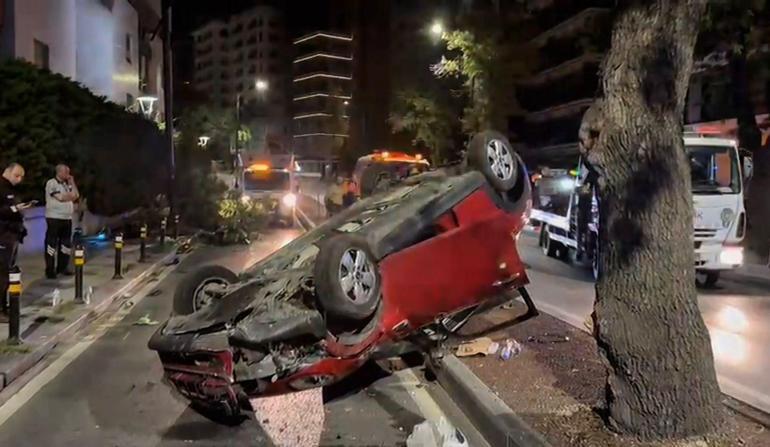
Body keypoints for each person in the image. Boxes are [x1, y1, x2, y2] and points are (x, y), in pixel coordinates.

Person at [1, 163, 29, 323]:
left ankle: (5, 306)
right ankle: (0, 309)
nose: (19, 180)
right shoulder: (1, 188)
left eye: (21, 177)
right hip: (3, 235)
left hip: (11, 235)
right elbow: (4, 210)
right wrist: (14, 209)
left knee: (8, 273)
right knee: (2, 274)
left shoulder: (10, 189)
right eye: (17, 175)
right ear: (8, 171)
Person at [44, 164, 79, 279]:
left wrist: (72, 182)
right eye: (66, 172)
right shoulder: (51, 183)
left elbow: (76, 195)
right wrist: (70, 196)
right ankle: (50, 269)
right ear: (59, 172)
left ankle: (62, 267)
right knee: (51, 244)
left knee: (65, 244)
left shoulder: (66, 184)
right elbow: (60, 198)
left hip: (67, 218)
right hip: (54, 218)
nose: (68, 175)